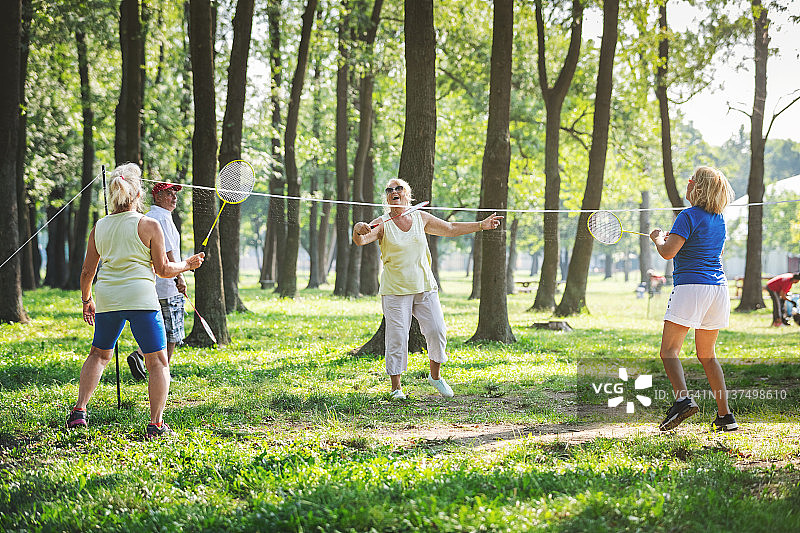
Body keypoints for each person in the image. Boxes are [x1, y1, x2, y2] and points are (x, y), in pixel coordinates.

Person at [67, 163, 204, 438]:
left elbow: (86, 272)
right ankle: (156, 424)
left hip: (107, 298)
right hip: (141, 299)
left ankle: (79, 412)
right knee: (158, 362)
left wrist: (86, 300)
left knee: (98, 355)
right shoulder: (149, 225)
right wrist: (188, 265)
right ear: (138, 194)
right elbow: (164, 270)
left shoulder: (100, 226)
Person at [352, 178, 502, 400]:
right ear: (387, 197)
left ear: (407, 193)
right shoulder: (382, 223)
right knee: (397, 338)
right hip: (395, 290)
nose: (394, 192)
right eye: (389, 190)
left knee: (437, 330)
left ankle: (435, 376)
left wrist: (481, 225)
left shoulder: (419, 217)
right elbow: (361, 240)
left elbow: (450, 228)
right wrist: (357, 229)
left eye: (398, 188)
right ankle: (396, 389)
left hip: (424, 286)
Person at [650, 166, 738, 432]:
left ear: (696, 187)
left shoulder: (686, 216)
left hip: (691, 288)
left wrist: (657, 239)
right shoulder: (719, 219)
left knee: (669, 351)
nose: (686, 185)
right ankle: (726, 417)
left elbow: (667, 253)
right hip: (718, 290)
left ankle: (682, 401)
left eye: (690, 182)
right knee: (707, 355)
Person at [127, 177, 187, 381]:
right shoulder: (160, 218)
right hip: (168, 284)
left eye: (175, 193)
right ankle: (161, 371)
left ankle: (146, 360)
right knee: (171, 333)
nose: (174, 197)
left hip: (153, 286)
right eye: (169, 193)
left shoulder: (150, 217)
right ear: (158, 196)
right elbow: (168, 251)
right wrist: (180, 278)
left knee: (158, 329)